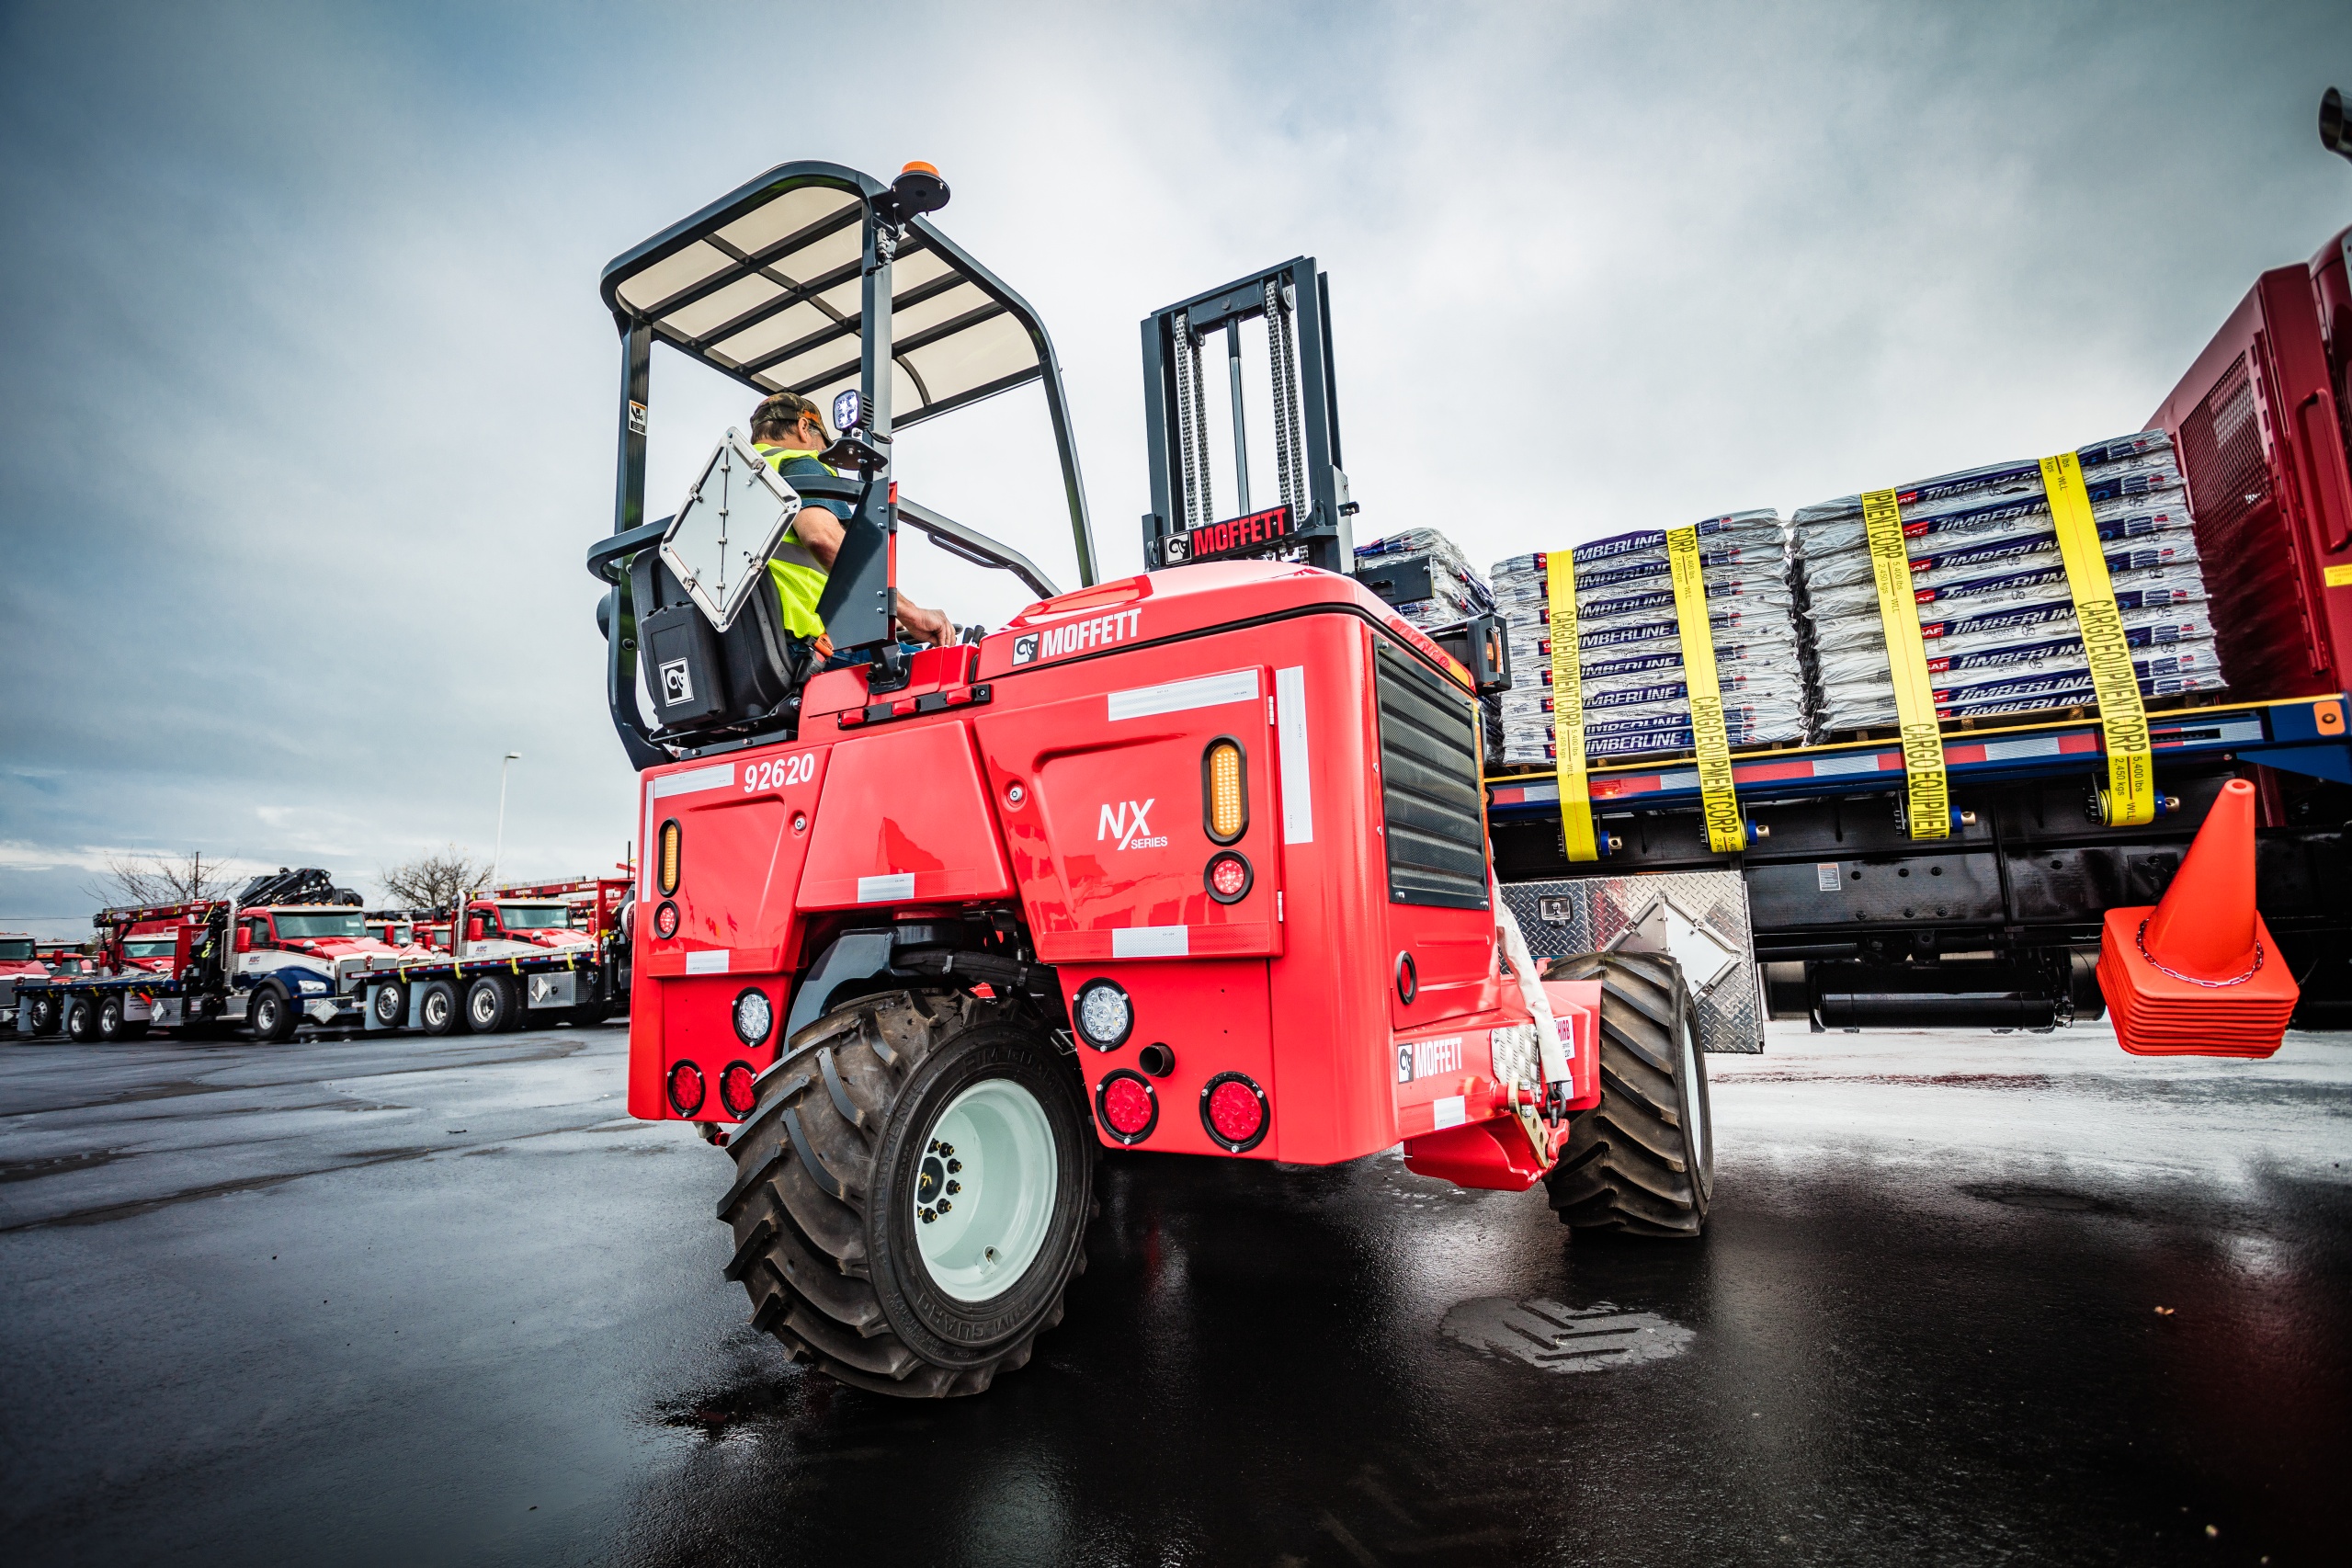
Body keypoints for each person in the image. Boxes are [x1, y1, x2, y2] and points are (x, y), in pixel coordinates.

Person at [749, 392, 956, 661]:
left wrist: (886, 615)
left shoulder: (734, 484)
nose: (821, 456)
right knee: (945, 665)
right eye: (822, 447)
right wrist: (910, 612)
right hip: (809, 648)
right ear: (803, 427)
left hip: (753, 650)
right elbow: (823, 539)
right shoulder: (797, 462)